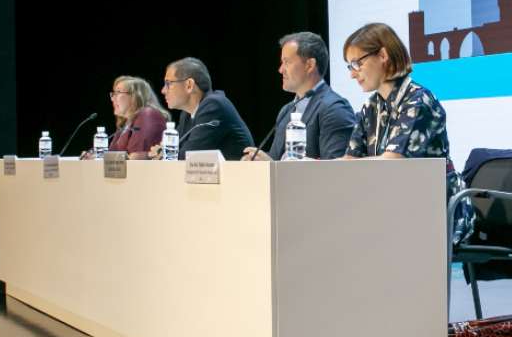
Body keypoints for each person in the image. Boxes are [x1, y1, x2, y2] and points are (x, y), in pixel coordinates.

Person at [340, 22, 475, 243]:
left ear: (382, 55)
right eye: (349, 66)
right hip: (394, 205)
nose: (352, 75)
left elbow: (392, 164)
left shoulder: (418, 100)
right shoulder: (370, 107)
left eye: (357, 63)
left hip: (436, 209)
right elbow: (350, 160)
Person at [242, 31, 357, 161]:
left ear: (309, 65)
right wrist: (258, 162)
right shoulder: (286, 110)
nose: (281, 70)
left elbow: (336, 170)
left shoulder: (334, 108)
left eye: (286, 62)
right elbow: (277, 160)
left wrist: (271, 164)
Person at [154, 56, 254, 161]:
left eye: (168, 84)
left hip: (238, 175)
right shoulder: (187, 114)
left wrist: (164, 154)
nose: (163, 90)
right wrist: (162, 152)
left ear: (189, 85)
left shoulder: (214, 106)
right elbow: (175, 149)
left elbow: (188, 155)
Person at [103, 76, 168, 159]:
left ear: (136, 96)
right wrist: (97, 157)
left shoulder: (148, 115)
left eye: (118, 92)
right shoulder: (125, 124)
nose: (113, 99)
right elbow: (112, 156)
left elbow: (136, 156)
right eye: (113, 94)